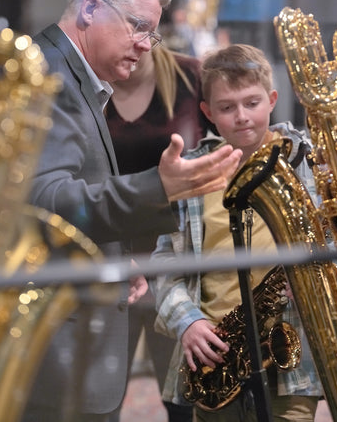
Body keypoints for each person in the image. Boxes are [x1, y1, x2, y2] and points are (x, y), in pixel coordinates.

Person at [23, 0, 241, 422]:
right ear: (90, 9)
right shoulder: (54, 77)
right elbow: (45, 202)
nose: (146, 45)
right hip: (56, 349)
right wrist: (157, 188)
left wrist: (117, 258)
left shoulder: (74, 74)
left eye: (153, 33)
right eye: (137, 27)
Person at [150, 44, 324, 422]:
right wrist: (188, 322)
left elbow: (336, 237)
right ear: (208, 112)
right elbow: (164, 263)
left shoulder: (305, 162)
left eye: (252, 103)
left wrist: (315, 274)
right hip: (214, 356)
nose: (242, 117)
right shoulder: (192, 171)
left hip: (289, 357)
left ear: (272, 100)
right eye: (227, 108)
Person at [105, 45, 210, 422]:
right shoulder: (89, 82)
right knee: (101, 397)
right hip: (109, 259)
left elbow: (232, 151)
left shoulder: (190, 76)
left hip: (179, 260)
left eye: (144, 25)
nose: (135, 37)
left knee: (183, 399)